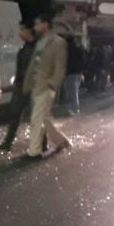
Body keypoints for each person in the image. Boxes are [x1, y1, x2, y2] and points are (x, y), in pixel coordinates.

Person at [23, 14, 72, 160]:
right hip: (36, 86)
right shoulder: (40, 42)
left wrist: (52, 83)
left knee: (36, 119)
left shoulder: (58, 42)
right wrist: (27, 83)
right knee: (45, 119)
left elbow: (60, 67)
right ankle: (62, 141)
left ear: (45, 24)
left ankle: (34, 151)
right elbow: (33, 64)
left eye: (37, 24)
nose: (35, 27)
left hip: (46, 87)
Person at [0, 21, 37, 151]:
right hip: (21, 85)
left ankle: (41, 144)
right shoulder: (25, 48)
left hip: (33, 86)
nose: (20, 33)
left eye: (22, 30)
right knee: (15, 113)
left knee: (36, 116)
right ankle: (7, 142)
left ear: (29, 31)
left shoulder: (37, 48)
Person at [64, 36, 85, 115]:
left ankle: (75, 109)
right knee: (75, 91)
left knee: (72, 92)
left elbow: (65, 61)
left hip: (70, 73)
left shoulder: (67, 50)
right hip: (78, 73)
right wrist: (82, 72)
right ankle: (74, 108)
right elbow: (83, 61)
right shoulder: (78, 49)